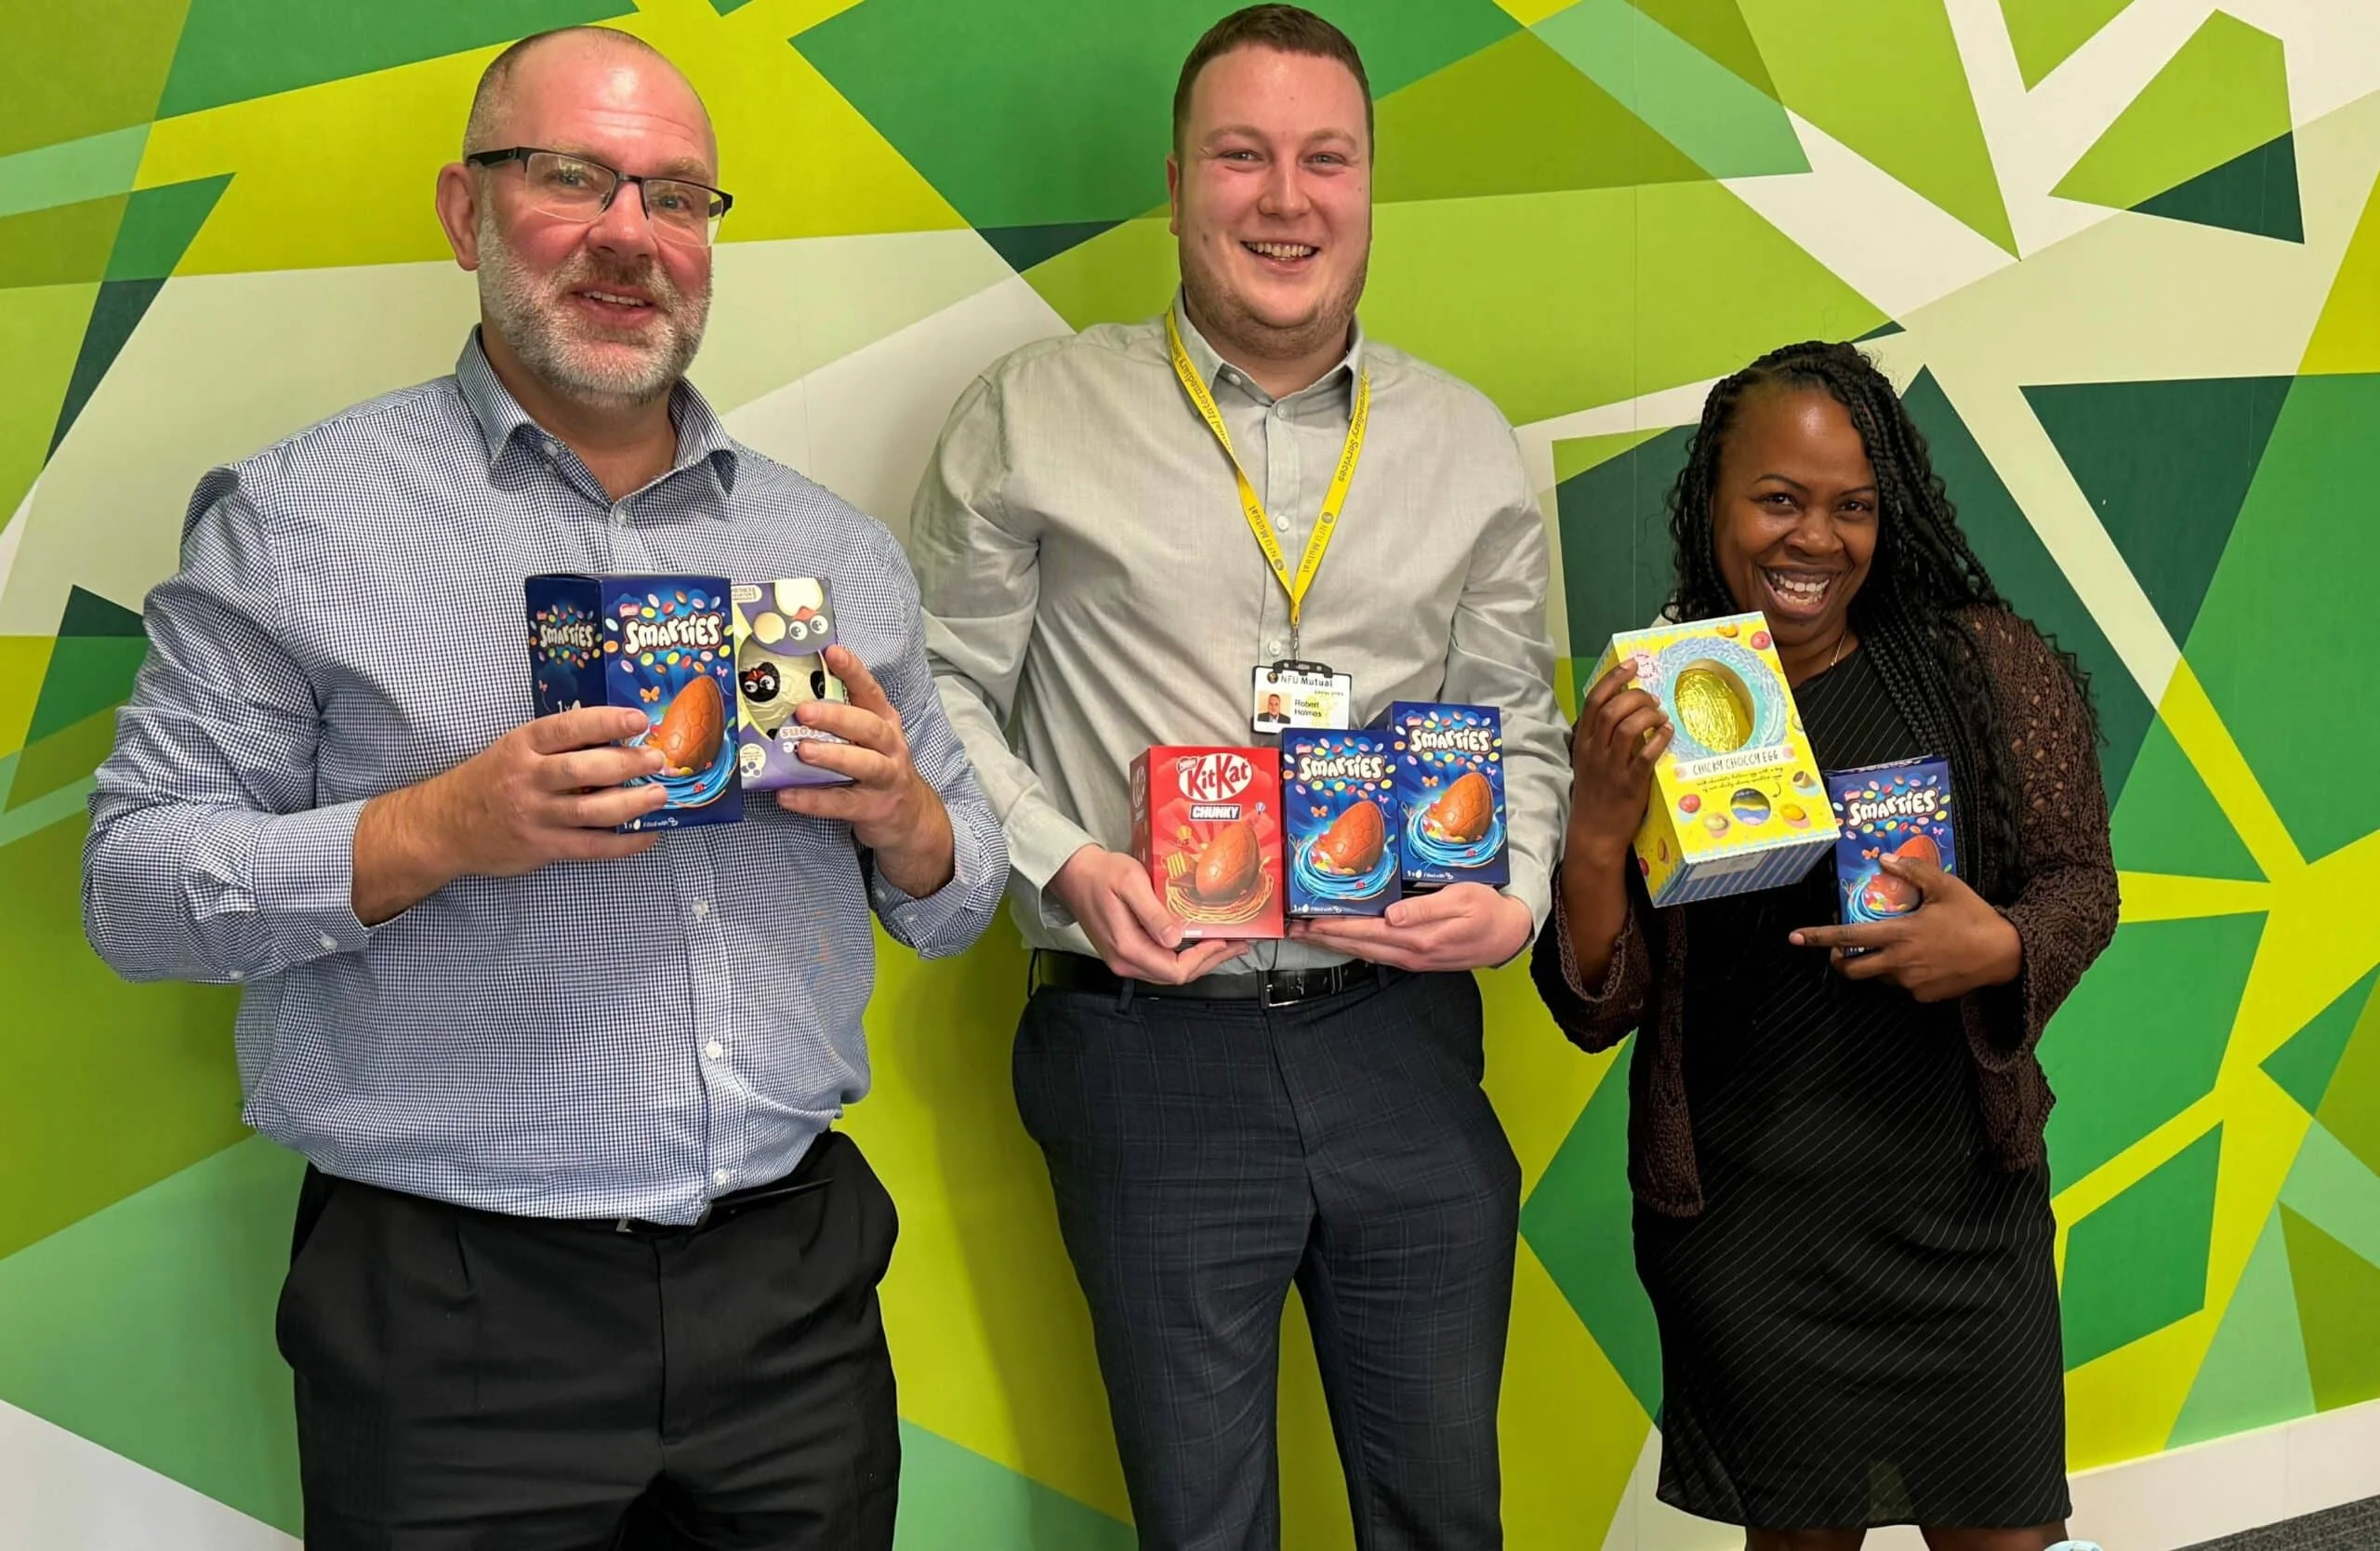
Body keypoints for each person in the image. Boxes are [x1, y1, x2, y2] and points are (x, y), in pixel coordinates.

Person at [81, 27, 1006, 1549]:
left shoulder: (833, 552)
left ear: (710, 239)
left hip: (792, 1294)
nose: (628, 235)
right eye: (573, 178)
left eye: (678, 197)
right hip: (452, 1319)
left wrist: (910, 823)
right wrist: (436, 827)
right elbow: (135, 886)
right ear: (467, 209)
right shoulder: (297, 520)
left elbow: (960, 898)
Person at [908, 6, 1567, 1544]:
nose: (1287, 198)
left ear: (1368, 184)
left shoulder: (1468, 444)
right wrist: (1064, 862)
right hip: (1147, 1051)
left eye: (1325, 158)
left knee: (1444, 1516)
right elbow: (933, 690)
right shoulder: (1030, 415)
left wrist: (1519, 894)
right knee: (1202, 1527)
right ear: (1177, 181)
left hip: (1399, 1037)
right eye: (1243, 156)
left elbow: (1512, 721)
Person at [1535, 341, 2116, 1551]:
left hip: (1962, 1214)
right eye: (1781, 500)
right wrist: (1595, 835)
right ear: (1713, 499)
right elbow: (1601, 1002)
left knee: (2007, 1538)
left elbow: (2080, 885)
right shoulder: (1666, 697)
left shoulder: (1982, 671)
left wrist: (2001, 946)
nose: (1817, 540)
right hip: (1751, 1228)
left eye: (1853, 507)